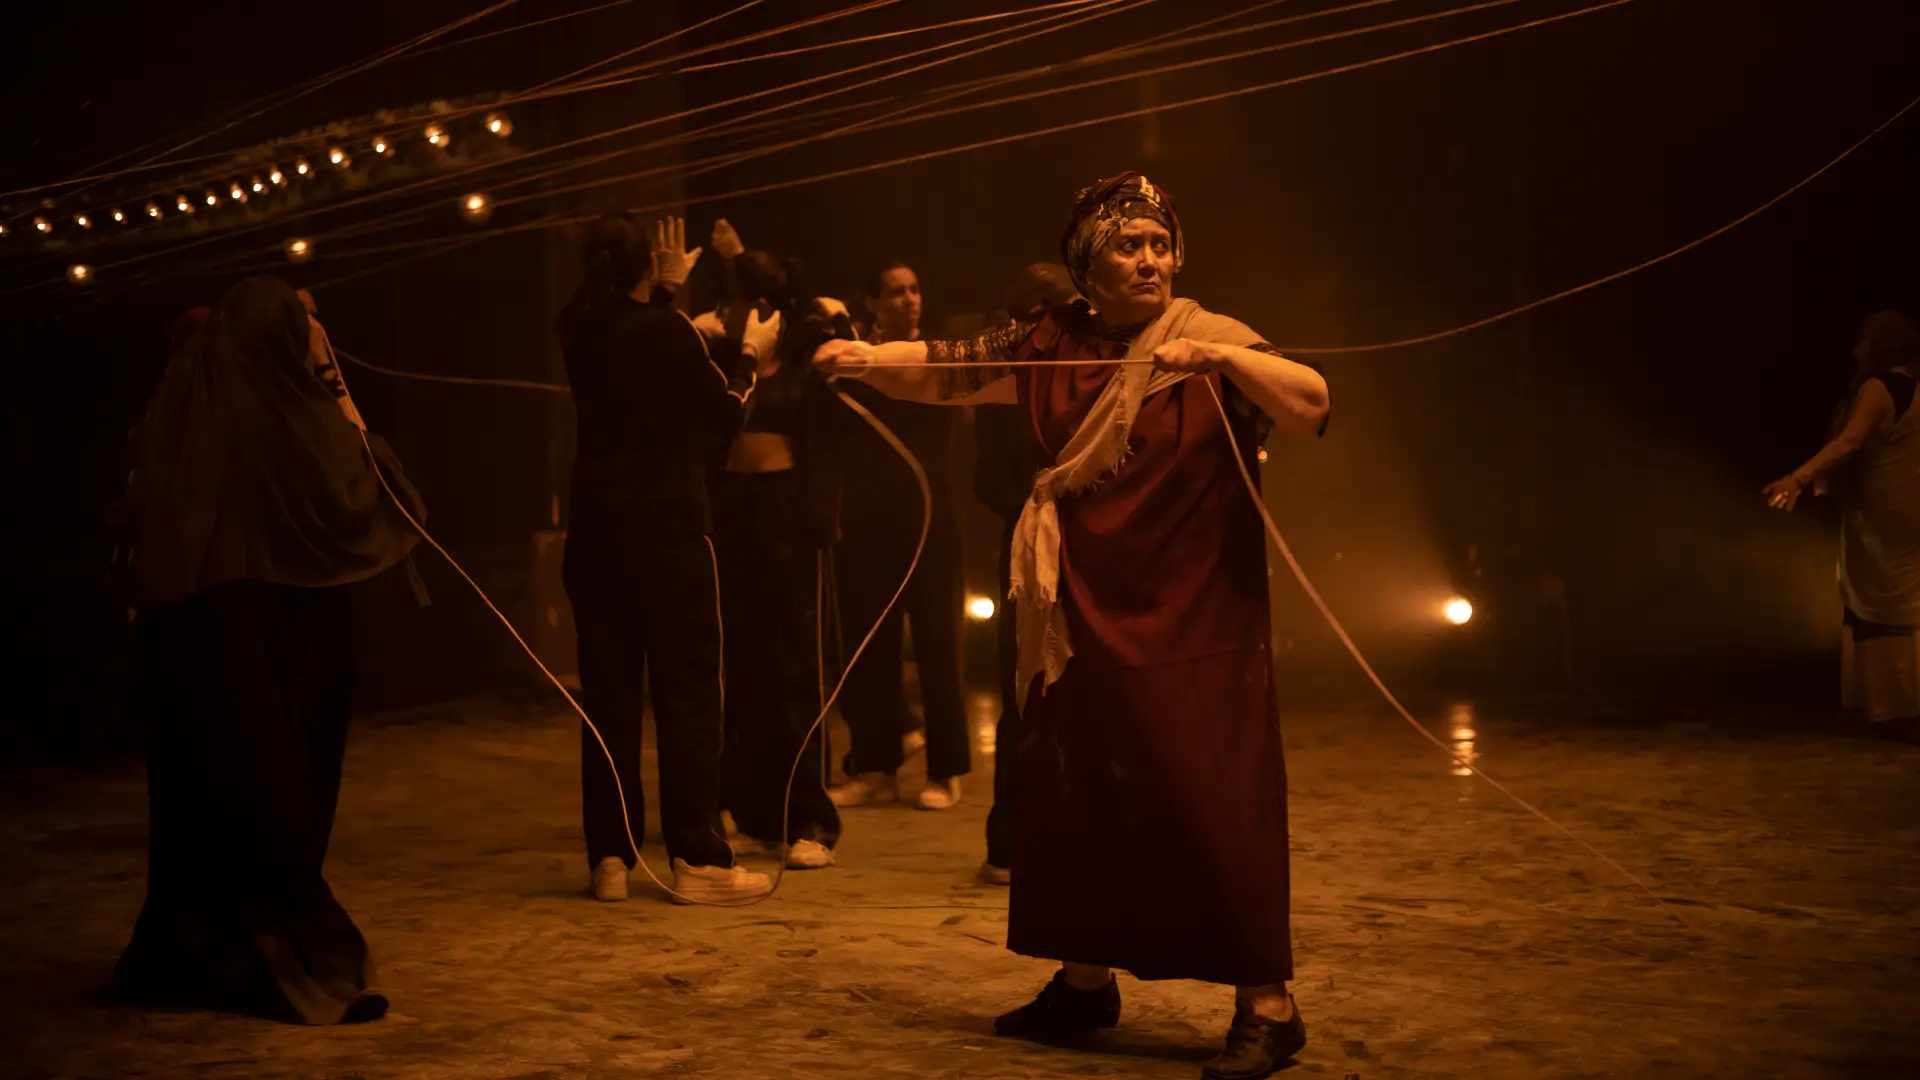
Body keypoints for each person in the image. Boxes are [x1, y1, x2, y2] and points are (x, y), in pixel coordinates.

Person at [815, 173, 1330, 1080]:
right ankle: (1086, 983)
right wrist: (862, 359)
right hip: (1081, 605)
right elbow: (948, 366)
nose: (1150, 260)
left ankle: (1268, 1005)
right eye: (1128, 246)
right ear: (1088, 263)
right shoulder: (1050, 339)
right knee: (1080, 787)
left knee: (1210, 795)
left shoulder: (1208, 334)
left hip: (1194, 614)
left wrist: (1223, 360)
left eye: (1160, 245)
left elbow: (1311, 405)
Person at [115, 275, 422, 1024]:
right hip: (265, 630)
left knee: (210, 796)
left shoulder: (185, 410)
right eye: (301, 325)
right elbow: (372, 492)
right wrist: (337, 390)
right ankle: (299, 963)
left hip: (199, 628)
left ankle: (199, 951)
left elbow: (145, 521)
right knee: (275, 792)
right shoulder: (294, 418)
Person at [558, 214, 777, 904]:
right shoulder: (670, 332)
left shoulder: (576, 328)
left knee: (608, 698)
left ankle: (610, 858)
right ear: (646, 267)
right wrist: (752, 355)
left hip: (595, 539)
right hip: (670, 535)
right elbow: (725, 412)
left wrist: (660, 291)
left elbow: (629, 337)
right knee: (688, 695)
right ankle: (698, 860)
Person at [703, 240, 850, 870]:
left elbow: (839, 366)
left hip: (787, 513)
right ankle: (749, 808)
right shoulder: (721, 356)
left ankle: (809, 816)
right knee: (739, 664)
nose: (740, 311)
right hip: (731, 512)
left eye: (754, 301)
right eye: (735, 300)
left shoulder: (804, 354)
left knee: (793, 666)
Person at [829, 261, 972, 810]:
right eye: (896, 292)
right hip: (870, 521)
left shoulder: (936, 354)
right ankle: (876, 766)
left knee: (939, 643)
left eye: (914, 289)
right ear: (873, 303)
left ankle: (946, 771)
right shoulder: (855, 360)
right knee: (871, 648)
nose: (910, 299)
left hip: (931, 516)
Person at [1765, 310, 1920, 738]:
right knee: (1899, 605)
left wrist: (1798, 479)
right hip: (1906, 513)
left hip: (1881, 516)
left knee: (1880, 602)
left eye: (1863, 342)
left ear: (1881, 346)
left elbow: (1848, 442)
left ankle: (1891, 707)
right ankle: (1896, 704)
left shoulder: (1878, 388)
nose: (1855, 351)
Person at [975, 263, 1081, 887]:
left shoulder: (1091, 372)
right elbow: (988, 478)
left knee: (1083, 690)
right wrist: (1040, 503)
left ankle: (1076, 836)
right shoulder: (1009, 379)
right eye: (1064, 309)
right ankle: (1011, 843)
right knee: (1027, 689)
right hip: (1027, 551)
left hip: (1089, 546)